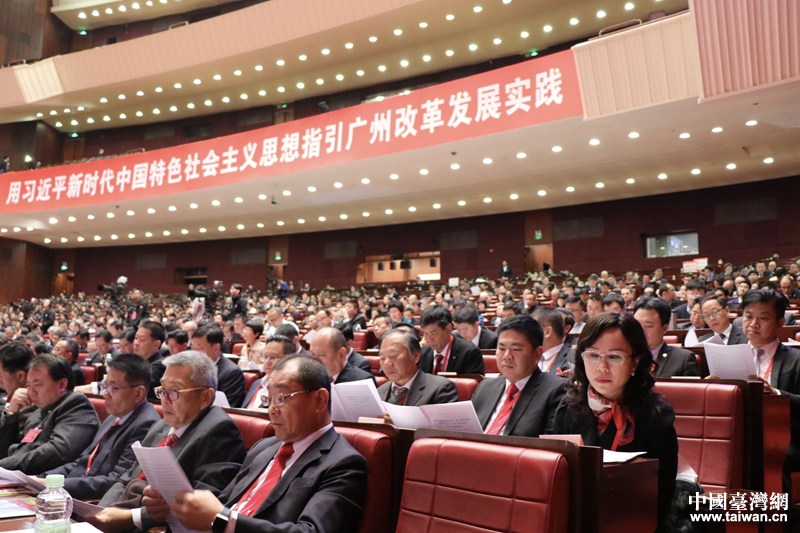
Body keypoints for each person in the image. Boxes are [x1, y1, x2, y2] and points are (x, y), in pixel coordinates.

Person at [141, 356, 368, 533]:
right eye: (269, 399)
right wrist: (173, 507)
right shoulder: (264, 448)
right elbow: (223, 505)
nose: (272, 410)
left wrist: (224, 522)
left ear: (319, 400)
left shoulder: (343, 464)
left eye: (281, 398)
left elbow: (311, 531)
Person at [90, 351, 246, 533]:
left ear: (205, 397)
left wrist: (131, 518)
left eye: (174, 392)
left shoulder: (219, 431)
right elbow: (127, 479)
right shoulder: (161, 425)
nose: (164, 399)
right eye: (162, 390)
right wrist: (100, 514)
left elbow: (199, 508)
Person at [551, 312, 678, 527]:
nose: (602, 367)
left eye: (614, 357)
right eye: (593, 355)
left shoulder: (656, 418)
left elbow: (659, 500)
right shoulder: (567, 408)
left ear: (635, 363)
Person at [39, 354, 161, 500]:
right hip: (72, 492)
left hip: (94, 502)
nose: (105, 394)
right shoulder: (114, 416)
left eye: (114, 388)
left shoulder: (146, 425)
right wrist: (41, 479)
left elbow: (117, 481)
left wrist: (55, 486)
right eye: (105, 386)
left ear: (138, 393)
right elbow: (82, 462)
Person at [739, 290, 800, 495]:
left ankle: (777, 514)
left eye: (763, 318)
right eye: (748, 316)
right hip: (740, 432)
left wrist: (775, 394)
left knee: (769, 453)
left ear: (780, 322)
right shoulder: (728, 356)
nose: (753, 324)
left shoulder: (796, 360)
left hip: (789, 437)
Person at [0, 354, 100, 474]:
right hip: (16, 475)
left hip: (47, 480)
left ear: (62, 384)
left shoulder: (77, 406)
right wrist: (11, 413)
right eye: (28, 385)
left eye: (38, 385)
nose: (31, 392)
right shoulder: (37, 410)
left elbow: (57, 452)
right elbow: (4, 449)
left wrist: (3, 466)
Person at [471, 315, 566, 436]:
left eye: (516, 349)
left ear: (537, 354)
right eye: (501, 348)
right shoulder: (485, 387)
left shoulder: (556, 391)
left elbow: (551, 445)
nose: (507, 356)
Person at [378, 328, 458, 416]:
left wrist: (402, 422)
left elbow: (444, 424)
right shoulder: (380, 391)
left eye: (393, 356)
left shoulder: (440, 388)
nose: (387, 363)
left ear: (415, 356)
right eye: (382, 358)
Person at [632, 297, 700, 377]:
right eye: (637, 324)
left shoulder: (683, 360)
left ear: (664, 328)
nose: (641, 331)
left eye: (649, 326)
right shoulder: (623, 355)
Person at [419, 306, 484, 376]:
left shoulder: (470, 353)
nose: (429, 339)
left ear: (448, 329)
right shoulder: (422, 353)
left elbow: (472, 382)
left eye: (433, 332)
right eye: (425, 333)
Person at [192, 325, 246, 408]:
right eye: (193, 348)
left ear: (216, 348)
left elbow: (229, 408)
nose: (194, 353)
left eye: (200, 348)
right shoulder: (190, 367)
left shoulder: (231, 373)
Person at [240, 335, 295, 409]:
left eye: (273, 357)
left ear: (288, 360)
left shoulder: (290, 390)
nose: (267, 362)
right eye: (265, 357)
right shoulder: (257, 383)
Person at [0, 342, 33, 457]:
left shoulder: (43, 402)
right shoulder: (13, 395)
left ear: (20, 376)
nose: (0, 381)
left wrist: (11, 414)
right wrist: (10, 412)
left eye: (1, 376)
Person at [309, 328, 375, 385]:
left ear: (341, 354)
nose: (315, 360)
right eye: (312, 354)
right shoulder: (310, 378)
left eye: (321, 354)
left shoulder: (362, 381)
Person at [134, 321, 167, 399]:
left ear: (156, 344)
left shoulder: (160, 364)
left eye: (142, 339)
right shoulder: (138, 361)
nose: (136, 343)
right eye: (136, 338)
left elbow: (138, 384)